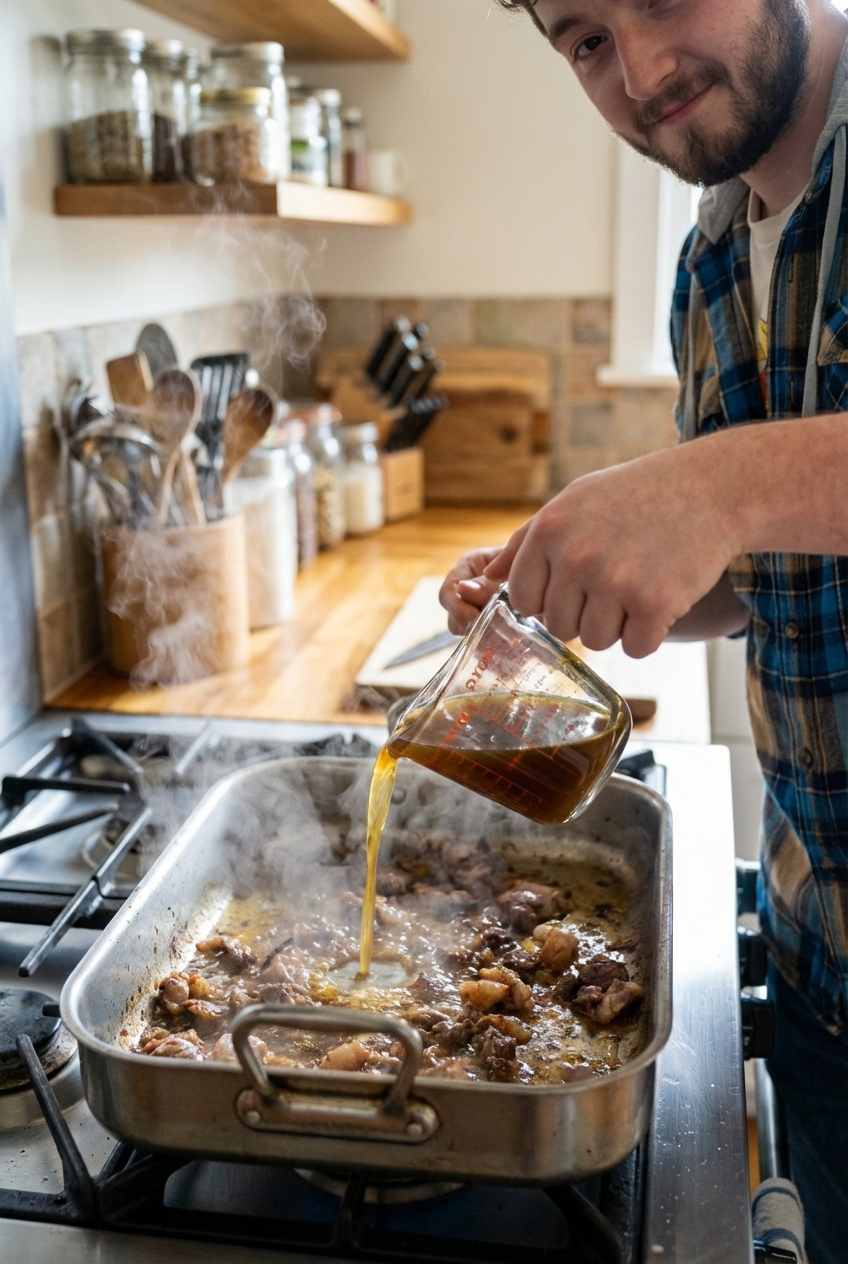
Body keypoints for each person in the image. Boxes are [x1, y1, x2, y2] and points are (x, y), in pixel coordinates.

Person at [439, 1, 847, 1257]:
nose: (644, 66)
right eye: (583, 41)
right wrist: (595, 570)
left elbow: (743, 498)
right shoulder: (711, 255)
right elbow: (763, 565)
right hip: (819, 958)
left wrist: (709, 487)